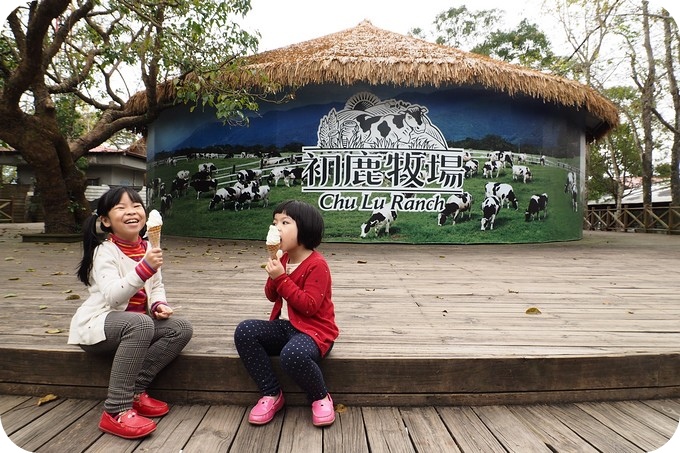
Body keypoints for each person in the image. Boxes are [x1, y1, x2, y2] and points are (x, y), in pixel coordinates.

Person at [68, 187, 193, 439]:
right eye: (121, 208)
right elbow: (114, 295)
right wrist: (145, 267)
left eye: (136, 205)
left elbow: (156, 286)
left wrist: (158, 305)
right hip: (99, 326)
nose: (132, 211)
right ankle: (115, 409)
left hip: (136, 326)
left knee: (181, 329)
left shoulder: (148, 246)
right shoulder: (104, 252)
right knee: (140, 323)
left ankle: (135, 390)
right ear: (105, 220)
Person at [234, 200, 339, 427]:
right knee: (245, 331)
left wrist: (281, 278)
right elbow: (272, 296)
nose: (276, 227)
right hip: (285, 327)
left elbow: (309, 306)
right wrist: (274, 270)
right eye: (274, 222)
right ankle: (271, 393)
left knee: (292, 355)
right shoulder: (282, 258)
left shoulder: (317, 265)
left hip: (314, 331)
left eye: (285, 222)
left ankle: (320, 397)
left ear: (305, 228)